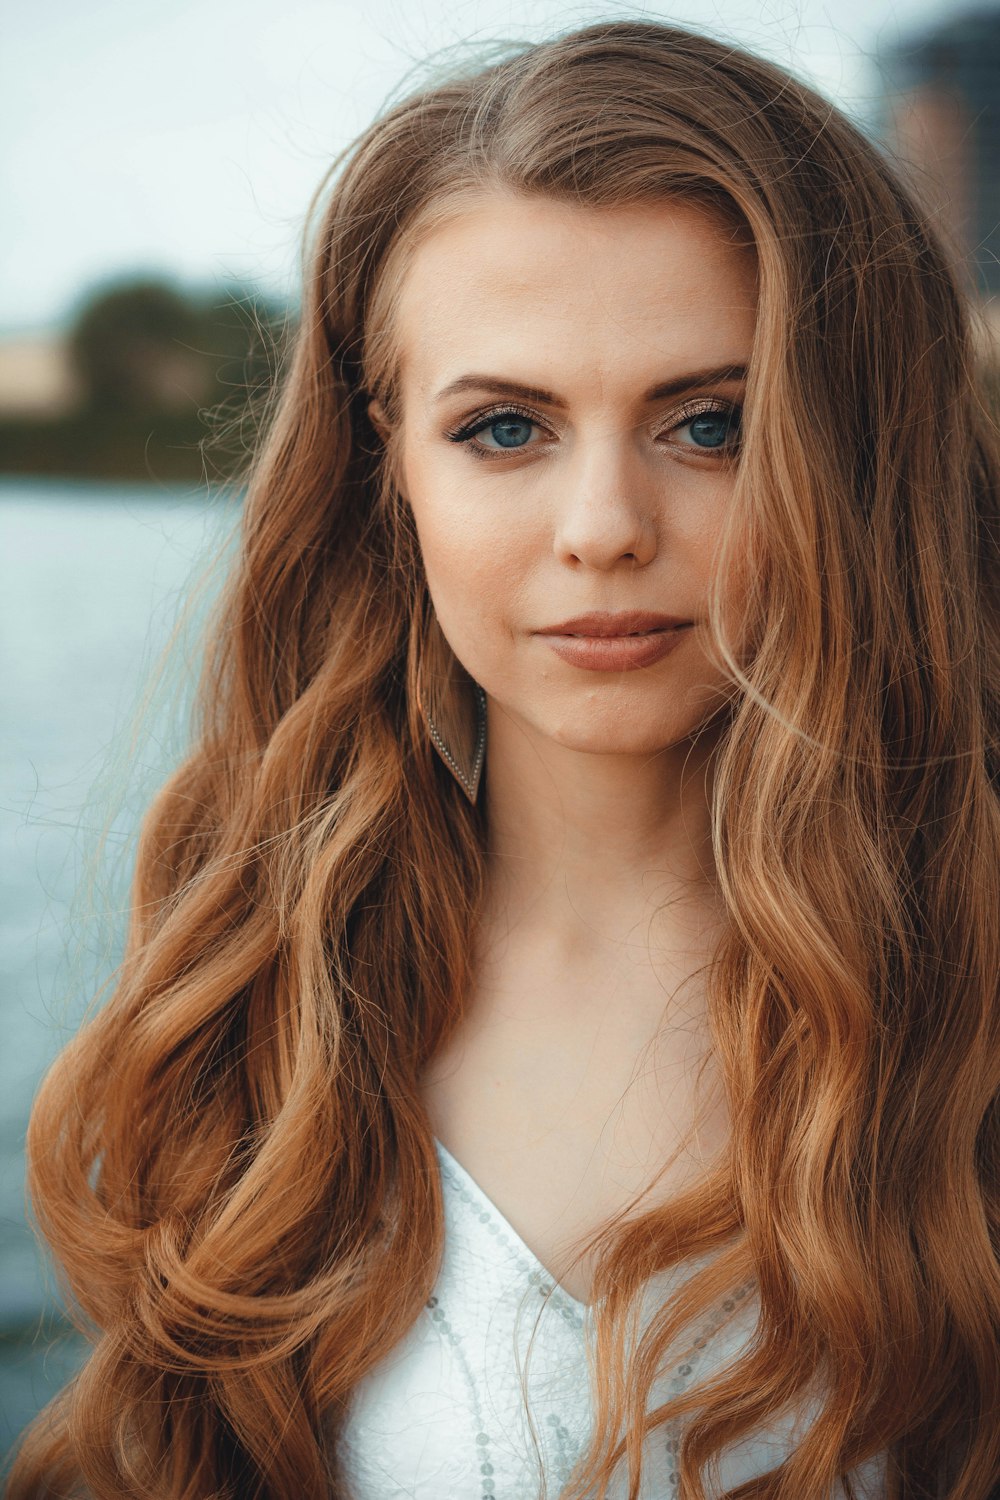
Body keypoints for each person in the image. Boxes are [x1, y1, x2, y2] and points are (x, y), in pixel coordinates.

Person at [8, 19, 999, 1500]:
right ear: (385, 465)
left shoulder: (966, 997)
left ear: (853, 455)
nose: (603, 525)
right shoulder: (263, 991)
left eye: (713, 423)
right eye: (507, 427)